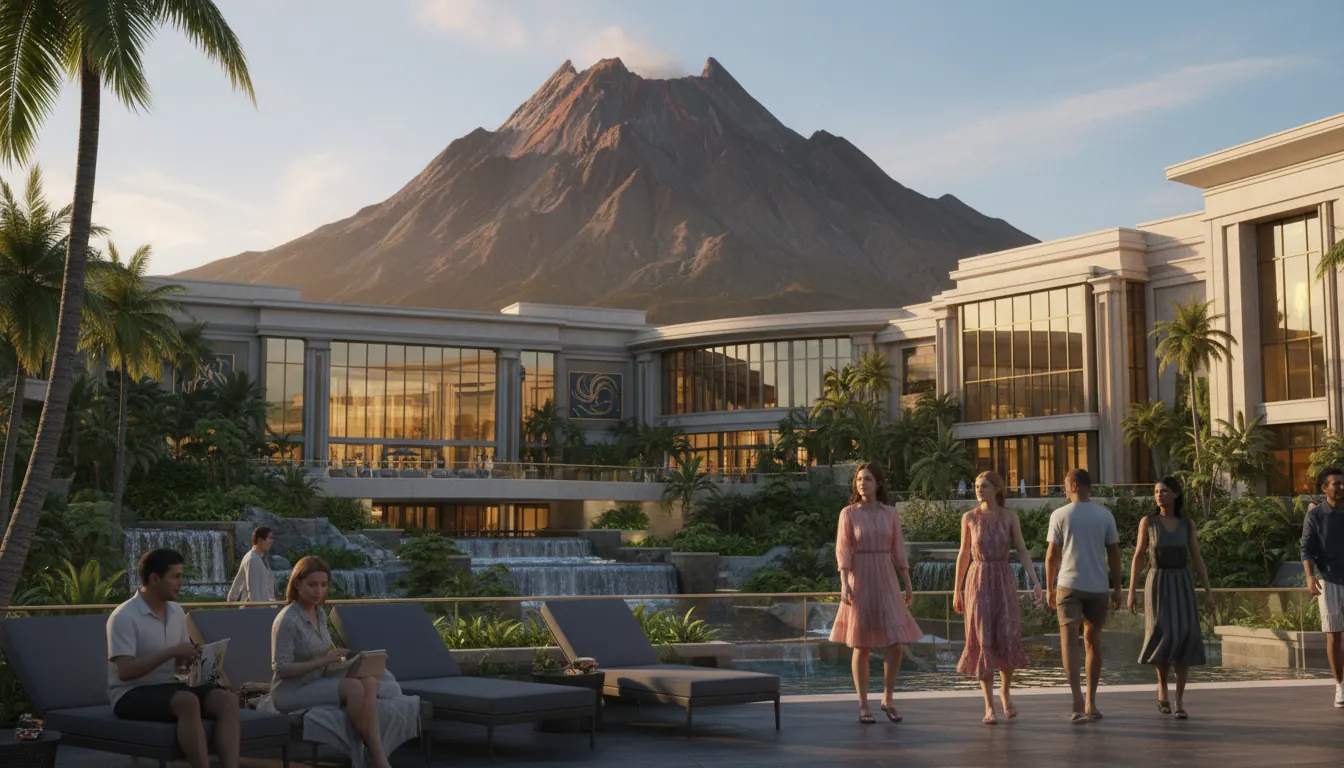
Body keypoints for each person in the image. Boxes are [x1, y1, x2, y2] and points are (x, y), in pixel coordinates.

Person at [107, 548, 241, 768]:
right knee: (186, 701)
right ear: (154, 578)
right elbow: (125, 671)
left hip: (170, 686)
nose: (181, 582)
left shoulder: (176, 612)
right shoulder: (124, 617)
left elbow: (179, 660)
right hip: (129, 693)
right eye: (176, 577)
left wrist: (192, 658)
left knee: (227, 700)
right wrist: (170, 653)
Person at [270, 556, 393, 768]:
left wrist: (340, 657)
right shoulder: (287, 620)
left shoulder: (319, 612)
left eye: (323, 585)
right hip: (291, 690)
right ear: (297, 584)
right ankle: (376, 755)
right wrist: (323, 661)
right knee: (354, 687)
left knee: (370, 681)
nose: (319, 591)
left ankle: (366, 749)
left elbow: (321, 654)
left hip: (319, 679)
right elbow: (281, 670)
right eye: (312, 585)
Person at [830, 462, 923, 724]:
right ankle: (862, 704)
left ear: (878, 483)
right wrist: (844, 583)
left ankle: (887, 698)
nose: (862, 483)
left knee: (896, 641)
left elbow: (899, 549)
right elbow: (843, 550)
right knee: (862, 643)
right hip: (859, 576)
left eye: (868, 479)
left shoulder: (891, 513)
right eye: (859, 479)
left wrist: (907, 581)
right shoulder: (848, 513)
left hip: (886, 575)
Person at [954, 471, 1042, 724]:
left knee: (1006, 634)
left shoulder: (1009, 516)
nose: (979, 490)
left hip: (1003, 580)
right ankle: (988, 705)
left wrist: (1035, 581)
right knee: (982, 638)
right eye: (976, 486)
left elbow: (1022, 550)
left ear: (996, 489)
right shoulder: (969, 518)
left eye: (984, 486)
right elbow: (963, 555)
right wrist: (956, 590)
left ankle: (1005, 690)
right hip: (978, 580)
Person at [1126, 476, 1213, 719]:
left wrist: (1208, 593)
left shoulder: (1187, 524)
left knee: (1184, 635)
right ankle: (1162, 685)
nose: (1159, 495)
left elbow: (1197, 559)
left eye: (1163, 491)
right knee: (1161, 632)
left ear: (1175, 494)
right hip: (1158, 582)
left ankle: (1180, 700)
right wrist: (1131, 590)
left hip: (1182, 582)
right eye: (1155, 492)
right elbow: (1139, 557)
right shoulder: (1149, 522)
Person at [1045, 468, 1121, 724]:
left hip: (1068, 586)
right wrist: (1118, 588)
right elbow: (1114, 557)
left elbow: (1051, 556)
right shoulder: (1105, 515)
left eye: (1065, 486)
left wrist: (1049, 587)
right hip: (1098, 587)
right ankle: (1090, 701)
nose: (1064, 491)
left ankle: (1077, 701)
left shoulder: (1059, 515)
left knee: (1069, 644)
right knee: (1092, 642)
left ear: (1075, 485)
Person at [1302, 466, 1344, 708]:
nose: (1340, 487)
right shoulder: (1315, 516)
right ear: (1324, 488)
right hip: (1328, 580)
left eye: (1342, 483)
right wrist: (1309, 577)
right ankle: (1339, 685)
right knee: (1334, 635)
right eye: (1335, 484)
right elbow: (1306, 549)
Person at [227, 526, 277, 604]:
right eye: (269, 538)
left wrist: (231, 600)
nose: (271, 541)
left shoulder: (258, 557)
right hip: (258, 610)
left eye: (272, 538)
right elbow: (254, 590)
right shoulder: (253, 559)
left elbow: (238, 583)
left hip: (265, 607)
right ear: (260, 540)